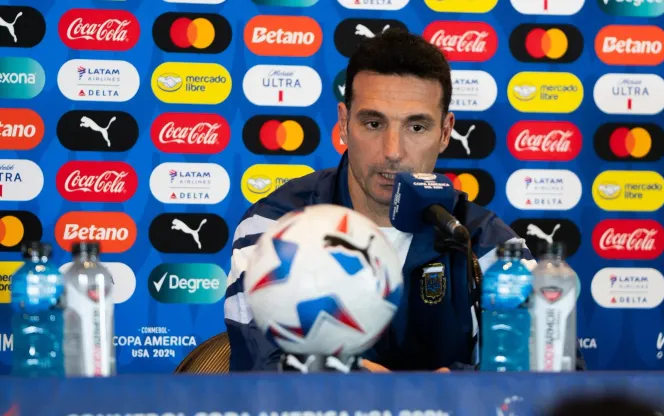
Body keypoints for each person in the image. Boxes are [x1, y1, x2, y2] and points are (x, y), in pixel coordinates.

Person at [224, 28, 585, 372]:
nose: (393, 152)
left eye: (416, 127)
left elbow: (550, 373)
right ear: (344, 122)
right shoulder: (277, 226)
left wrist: (449, 389)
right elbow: (260, 370)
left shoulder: (484, 244)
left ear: (445, 133)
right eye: (373, 124)